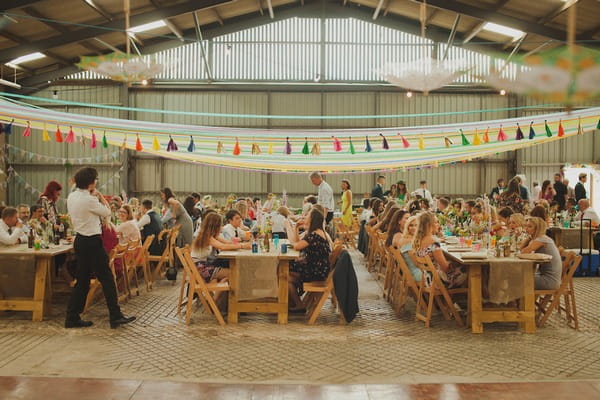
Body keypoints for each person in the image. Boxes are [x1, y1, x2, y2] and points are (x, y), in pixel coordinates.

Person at [65, 167, 135, 329]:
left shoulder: (72, 196)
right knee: (107, 279)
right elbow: (107, 212)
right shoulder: (89, 200)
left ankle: (72, 317)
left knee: (82, 281)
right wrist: (100, 197)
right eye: (95, 180)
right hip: (92, 241)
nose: (96, 182)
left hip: (80, 240)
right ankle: (115, 316)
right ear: (91, 182)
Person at [288, 209, 331, 312]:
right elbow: (298, 243)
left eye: (307, 216)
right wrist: (296, 228)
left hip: (316, 271)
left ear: (312, 219)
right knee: (287, 271)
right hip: (318, 268)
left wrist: (294, 231)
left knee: (285, 273)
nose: (305, 217)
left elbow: (297, 245)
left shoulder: (315, 235)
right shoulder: (317, 232)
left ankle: (296, 303)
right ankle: (293, 301)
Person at [191, 212, 250, 282]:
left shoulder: (209, 235)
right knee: (235, 273)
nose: (221, 227)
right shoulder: (207, 237)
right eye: (220, 225)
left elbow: (227, 242)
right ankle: (232, 291)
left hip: (203, 265)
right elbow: (222, 247)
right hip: (201, 269)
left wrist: (242, 243)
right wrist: (242, 246)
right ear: (215, 226)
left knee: (231, 274)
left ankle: (225, 291)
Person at [413, 212, 466, 288]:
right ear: (429, 225)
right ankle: (466, 298)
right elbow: (445, 268)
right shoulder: (433, 242)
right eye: (436, 222)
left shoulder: (419, 240)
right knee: (468, 271)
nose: (438, 224)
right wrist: (453, 264)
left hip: (427, 279)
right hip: (437, 282)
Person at [520, 217, 562, 290]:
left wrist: (529, 238)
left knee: (515, 280)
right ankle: (517, 301)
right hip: (545, 276)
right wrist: (529, 238)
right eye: (526, 226)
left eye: (530, 226)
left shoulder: (542, 240)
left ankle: (519, 301)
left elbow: (524, 252)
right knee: (516, 277)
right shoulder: (541, 238)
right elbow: (521, 249)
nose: (526, 228)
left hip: (549, 281)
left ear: (537, 229)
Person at [396, 215, 421, 283]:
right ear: (407, 227)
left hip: (409, 272)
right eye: (411, 225)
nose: (414, 228)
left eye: (416, 225)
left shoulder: (404, 238)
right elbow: (416, 263)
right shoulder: (409, 241)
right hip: (416, 273)